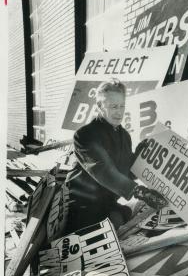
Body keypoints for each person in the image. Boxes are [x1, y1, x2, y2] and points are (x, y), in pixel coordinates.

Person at [63, 79, 167, 233]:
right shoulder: (85, 135)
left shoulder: (124, 136)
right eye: (113, 107)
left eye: (122, 106)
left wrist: (139, 157)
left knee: (123, 217)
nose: (119, 112)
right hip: (83, 205)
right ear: (99, 106)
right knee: (107, 229)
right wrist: (140, 192)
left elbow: (125, 173)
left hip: (107, 202)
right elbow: (103, 170)